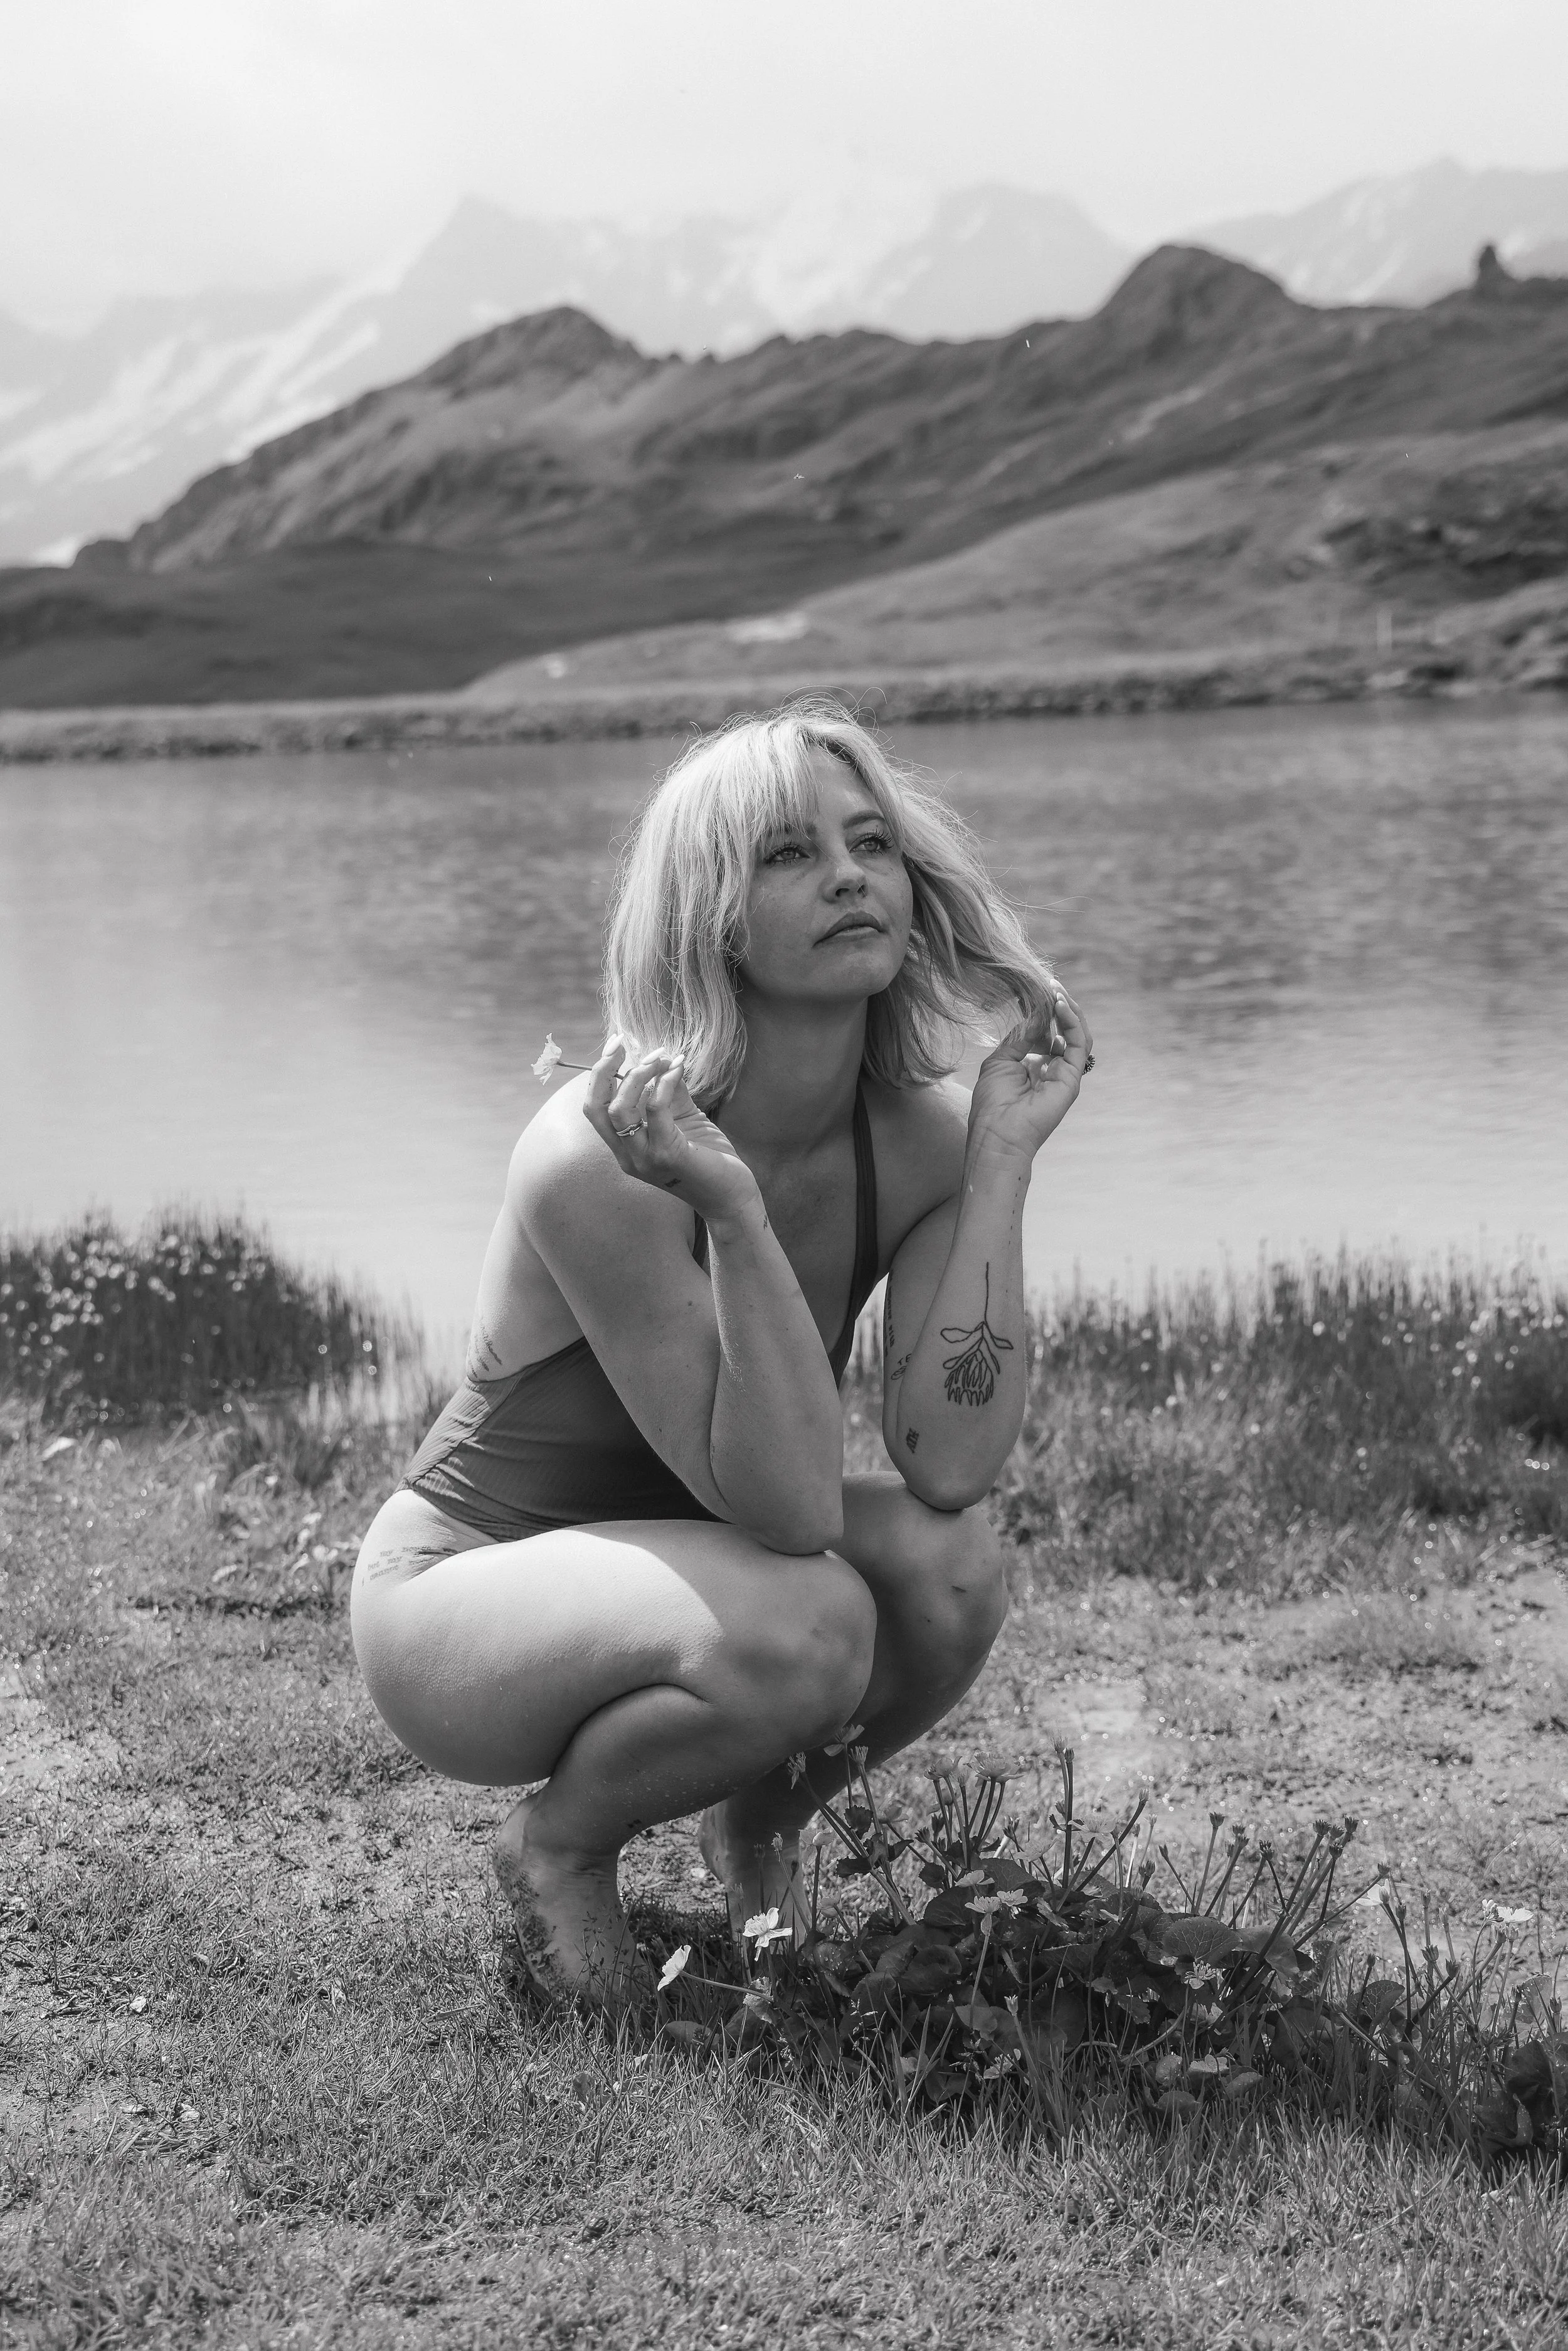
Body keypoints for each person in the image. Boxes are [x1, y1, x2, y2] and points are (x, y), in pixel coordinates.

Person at [350, 699, 1093, 2005]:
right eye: (787, 853)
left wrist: (996, 1164)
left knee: (948, 1572)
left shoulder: (914, 1136)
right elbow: (795, 1510)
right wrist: (734, 1211)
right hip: (465, 1599)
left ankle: (753, 1822)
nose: (850, 873)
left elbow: (949, 1459)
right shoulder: (607, 1151)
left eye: (869, 844)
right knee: (808, 1620)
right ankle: (555, 1848)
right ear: (710, 914)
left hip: (705, 1566)